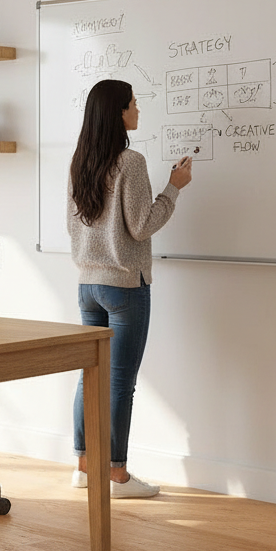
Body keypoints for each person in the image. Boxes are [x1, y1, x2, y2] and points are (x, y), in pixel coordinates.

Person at [68, 79, 192, 498]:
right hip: (124, 287)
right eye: (134, 104)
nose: (139, 110)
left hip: (88, 285)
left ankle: (85, 465)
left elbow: (76, 227)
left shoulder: (80, 161)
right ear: (119, 112)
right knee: (120, 383)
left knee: (91, 378)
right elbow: (141, 226)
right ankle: (116, 475)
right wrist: (174, 187)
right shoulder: (130, 162)